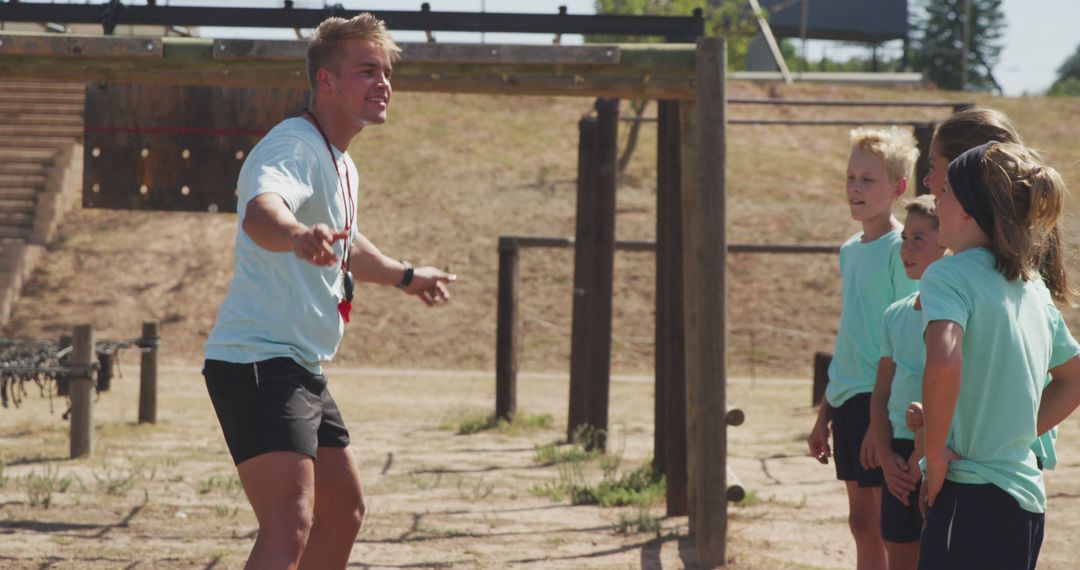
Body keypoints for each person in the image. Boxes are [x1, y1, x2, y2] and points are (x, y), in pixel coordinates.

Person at [202, 14, 456, 570]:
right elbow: (260, 212)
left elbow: (348, 246)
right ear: (326, 82)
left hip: (298, 365)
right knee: (289, 522)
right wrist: (297, 237)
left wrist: (408, 277)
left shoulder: (340, 161)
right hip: (257, 360)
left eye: (386, 72)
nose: (383, 82)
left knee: (343, 513)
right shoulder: (293, 145)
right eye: (367, 70)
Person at [919, 141, 1080, 570]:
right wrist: (1016, 433)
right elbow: (1073, 378)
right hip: (1026, 502)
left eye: (947, 191)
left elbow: (944, 361)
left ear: (969, 210)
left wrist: (934, 456)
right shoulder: (1034, 287)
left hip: (968, 491)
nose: (937, 198)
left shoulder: (946, 275)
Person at [916, 108, 1062, 470]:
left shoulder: (953, 275)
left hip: (971, 467)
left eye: (934, 167)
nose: (926, 180)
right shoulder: (1020, 271)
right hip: (1011, 467)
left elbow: (946, 363)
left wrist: (944, 451)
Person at [807, 126, 919, 569]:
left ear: (898, 188)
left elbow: (904, 340)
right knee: (860, 522)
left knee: (892, 527)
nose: (855, 187)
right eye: (851, 177)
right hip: (848, 401)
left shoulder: (901, 250)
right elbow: (850, 337)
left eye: (867, 179)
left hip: (883, 405)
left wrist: (883, 423)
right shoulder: (849, 250)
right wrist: (824, 415)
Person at [866, 195, 946, 570]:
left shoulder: (953, 313)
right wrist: (885, 456)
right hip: (897, 452)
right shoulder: (895, 314)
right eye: (904, 238)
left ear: (945, 243)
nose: (907, 248)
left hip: (937, 449)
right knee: (896, 551)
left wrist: (922, 459)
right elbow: (881, 392)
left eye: (919, 238)